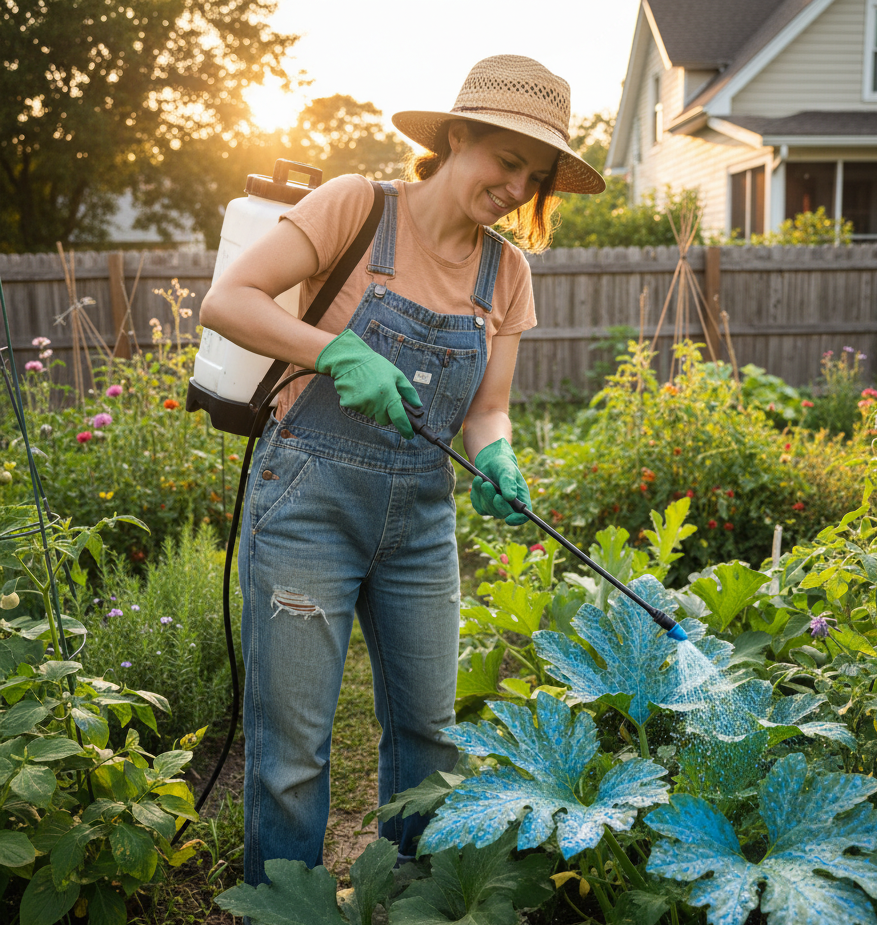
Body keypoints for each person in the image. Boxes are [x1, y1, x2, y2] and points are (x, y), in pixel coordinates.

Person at [199, 53, 604, 887]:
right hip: (307, 498)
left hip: (422, 518)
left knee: (429, 733)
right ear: (457, 136)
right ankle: (288, 906)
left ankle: (421, 899)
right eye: (506, 160)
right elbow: (228, 301)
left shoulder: (507, 272)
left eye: (533, 176)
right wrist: (335, 349)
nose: (516, 186)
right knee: (294, 751)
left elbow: (489, 405)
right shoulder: (357, 206)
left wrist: (498, 457)